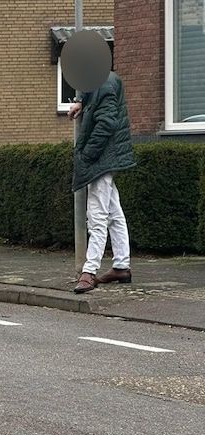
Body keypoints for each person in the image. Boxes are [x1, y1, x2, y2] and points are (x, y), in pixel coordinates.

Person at [68, 70, 136, 294]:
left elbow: (106, 122)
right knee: (114, 213)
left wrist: (87, 155)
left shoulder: (104, 83)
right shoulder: (105, 79)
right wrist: (81, 101)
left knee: (96, 215)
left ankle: (89, 272)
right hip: (108, 156)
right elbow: (99, 103)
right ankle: (121, 266)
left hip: (101, 159)